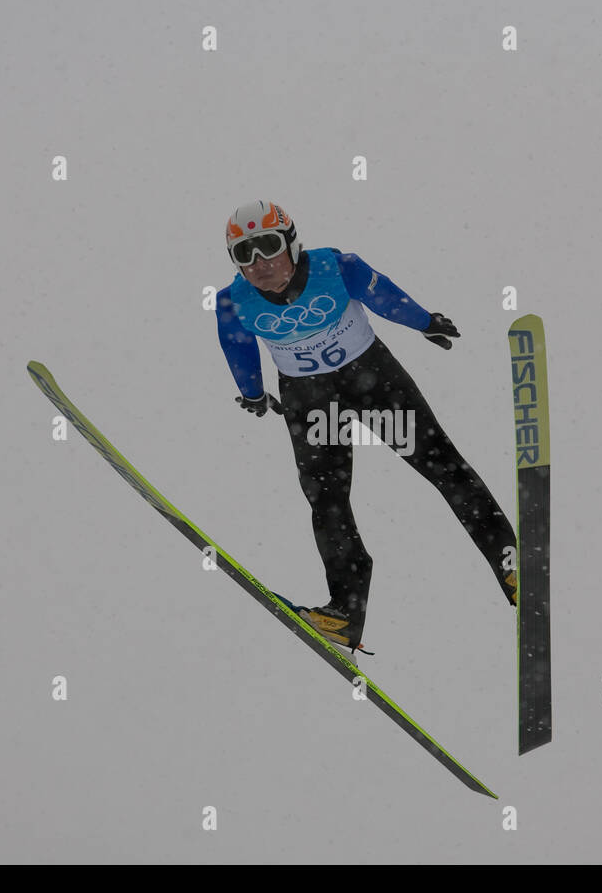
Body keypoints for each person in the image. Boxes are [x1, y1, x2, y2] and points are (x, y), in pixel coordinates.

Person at [215, 200, 517, 652]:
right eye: (244, 254)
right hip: (311, 400)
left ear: (293, 243)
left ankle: (513, 567)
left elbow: (383, 295)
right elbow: (237, 347)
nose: (259, 263)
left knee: (443, 468)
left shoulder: (336, 267)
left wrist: (425, 322)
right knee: (327, 500)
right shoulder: (232, 301)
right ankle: (345, 614)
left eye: (267, 246)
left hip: (373, 381)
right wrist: (253, 392)